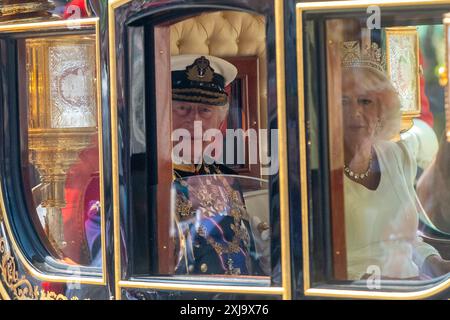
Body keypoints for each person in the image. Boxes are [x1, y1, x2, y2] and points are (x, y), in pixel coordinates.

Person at [340, 41, 450, 280]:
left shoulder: (397, 155)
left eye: (365, 101)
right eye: (344, 102)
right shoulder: (319, 170)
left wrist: (438, 264)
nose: (355, 112)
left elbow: (410, 241)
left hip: (413, 289)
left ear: (382, 109)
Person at [170, 55, 264, 276]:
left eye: (205, 111)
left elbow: (248, 258)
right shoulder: (142, 184)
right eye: (182, 107)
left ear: (220, 123)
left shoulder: (227, 179)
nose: (195, 122)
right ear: (161, 115)